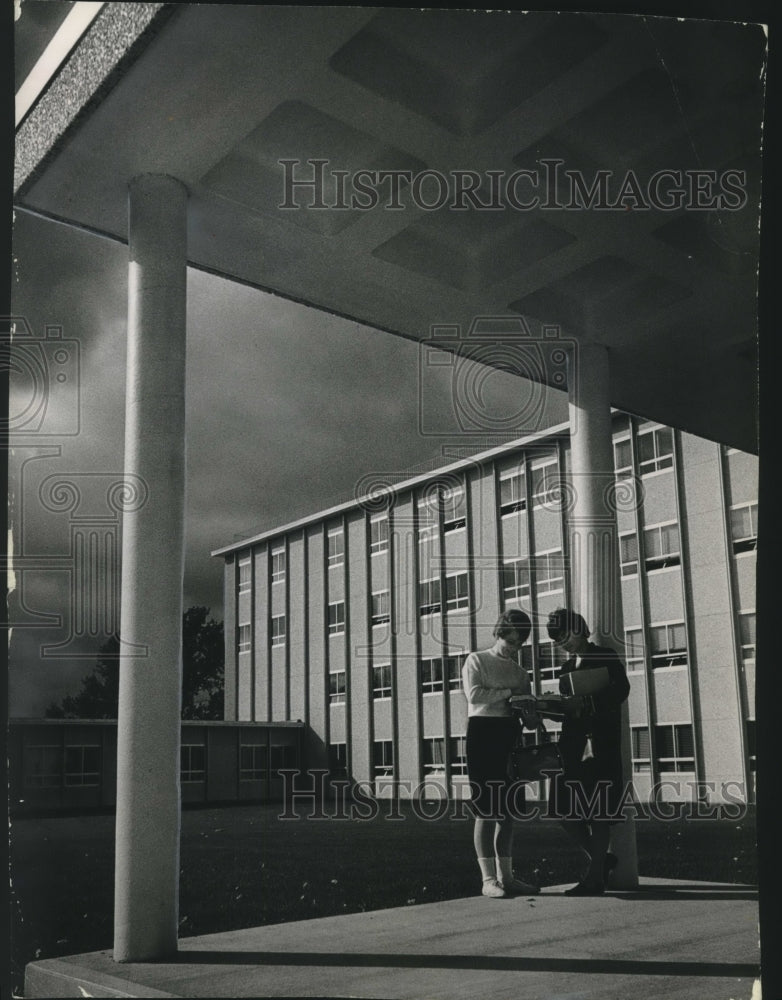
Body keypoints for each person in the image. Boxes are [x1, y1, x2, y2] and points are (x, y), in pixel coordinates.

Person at [546, 607, 630, 896]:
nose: (564, 642)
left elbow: (621, 690)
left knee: (599, 815)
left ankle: (594, 879)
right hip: (572, 749)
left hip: (600, 748)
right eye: (557, 640)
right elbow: (568, 713)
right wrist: (549, 708)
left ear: (580, 628)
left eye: (566, 634)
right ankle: (601, 861)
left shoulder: (605, 655)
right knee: (564, 813)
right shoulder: (566, 669)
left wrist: (589, 703)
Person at [462, 608, 541, 899]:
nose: (514, 649)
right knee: (486, 810)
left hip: (510, 736)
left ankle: (507, 878)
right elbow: (474, 696)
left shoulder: (521, 673)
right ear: (499, 633)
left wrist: (534, 713)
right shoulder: (476, 660)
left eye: (519, 645)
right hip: (482, 736)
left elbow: (529, 721)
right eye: (510, 643)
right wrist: (509, 694)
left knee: (507, 813)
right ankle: (487, 880)